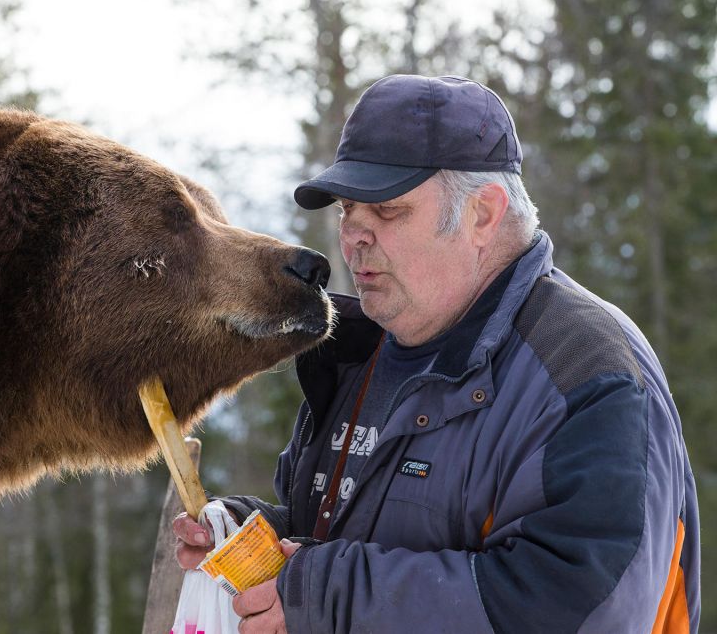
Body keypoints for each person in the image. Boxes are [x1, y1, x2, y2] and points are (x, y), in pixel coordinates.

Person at [172, 74, 700, 633]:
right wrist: (257, 542)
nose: (354, 236)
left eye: (388, 211)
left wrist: (323, 596)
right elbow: (349, 540)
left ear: (483, 214)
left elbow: (580, 609)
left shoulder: (583, 373)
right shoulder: (363, 353)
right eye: (348, 209)